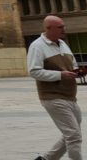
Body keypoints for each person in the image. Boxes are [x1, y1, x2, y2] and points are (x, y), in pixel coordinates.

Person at [28, 14, 83, 160]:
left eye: (63, 26)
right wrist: (60, 75)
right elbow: (34, 71)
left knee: (72, 133)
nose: (64, 29)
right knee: (73, 135)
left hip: (70, 96)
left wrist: (77, 71)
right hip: (52, 96)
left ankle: (46, 159)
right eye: (60, 27)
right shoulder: (37, 46)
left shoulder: (62, 43)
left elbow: (73, 65)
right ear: (48, 28)